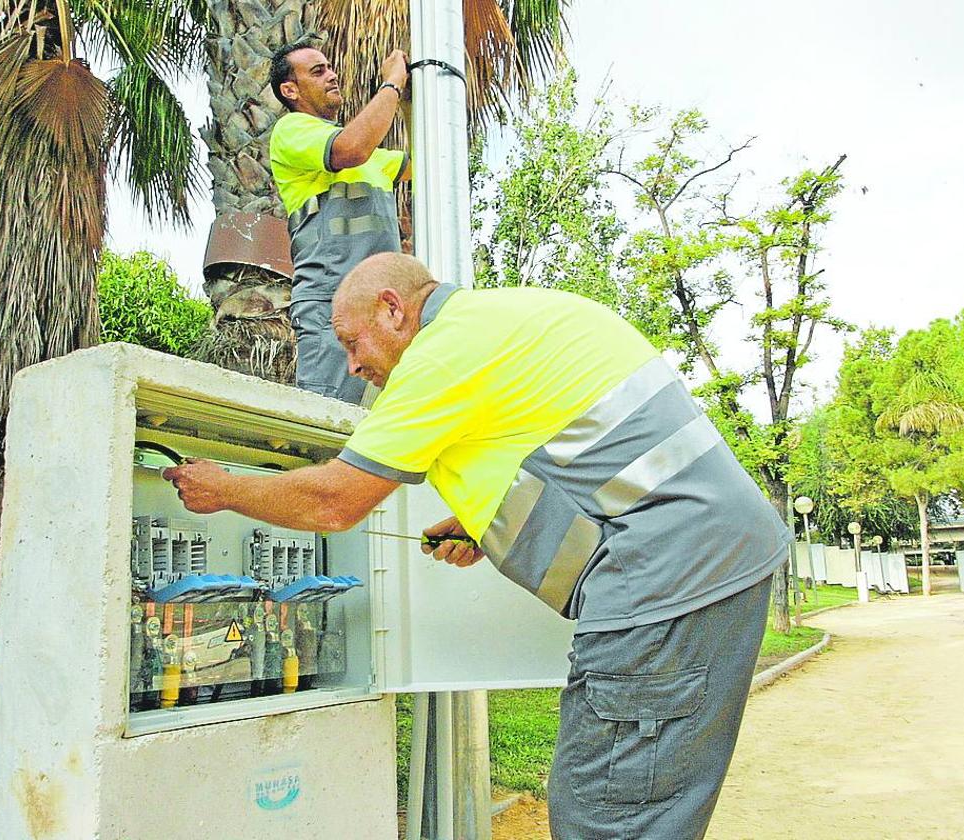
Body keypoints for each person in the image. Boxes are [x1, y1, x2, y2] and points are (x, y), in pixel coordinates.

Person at [163, 252, 792, 839]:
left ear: (393, 309)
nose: (353, 365)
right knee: (643, 806)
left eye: (353, 343)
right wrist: (486, 528)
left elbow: (334, 501)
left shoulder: (441, 355)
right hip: (709, 564)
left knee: (605, 810)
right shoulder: (504, 319)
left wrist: (224, 490)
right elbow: (585, 460)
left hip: (672, 583)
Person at [268, 41, 411, 404]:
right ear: (290, 90)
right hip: (331, 309)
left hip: (381, 317)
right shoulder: (292, 131)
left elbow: (427, 163)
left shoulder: (374, 160)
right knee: (327, 426)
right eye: (317, 71)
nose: (332, 75)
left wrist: (411, 100)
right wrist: (392, 84)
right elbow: (350, 148)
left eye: (330, 68)